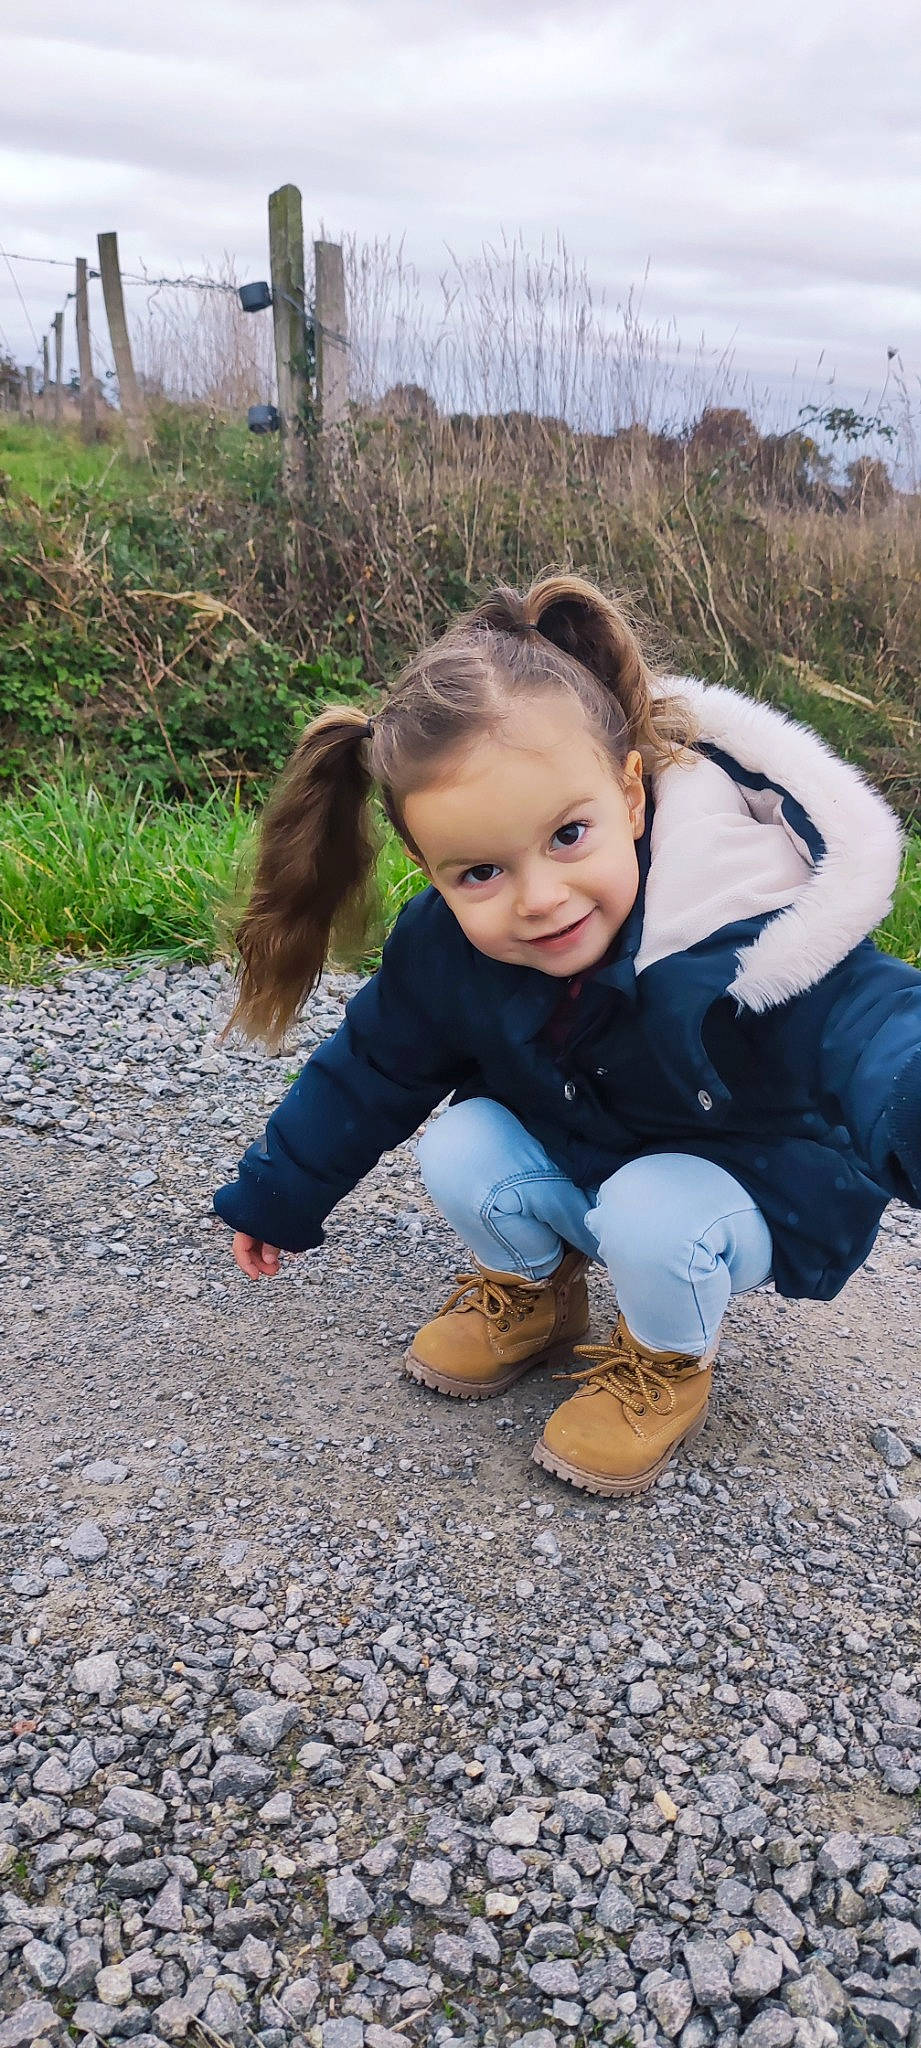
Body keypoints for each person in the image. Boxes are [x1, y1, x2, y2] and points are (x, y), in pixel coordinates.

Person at [213, 573, 921, 1497]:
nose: (539, 899)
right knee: (462, 1142)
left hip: (747, 1183)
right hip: (592, 1149)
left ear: (630, 795)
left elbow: (874, 1030)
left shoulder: (743, 922)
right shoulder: (443, 947)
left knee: (649, 1211)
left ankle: (666, 1360)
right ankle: (535, 1293)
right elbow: (369, 1069)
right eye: (479, 873)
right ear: (427, 868)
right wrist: (277, 1193)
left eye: (567, 836)